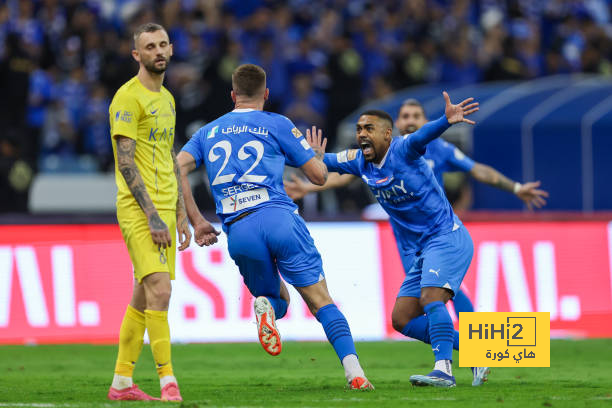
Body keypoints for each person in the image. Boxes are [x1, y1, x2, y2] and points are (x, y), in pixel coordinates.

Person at [177, 63, 374, 390]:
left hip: (239, 229)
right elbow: (319, 176)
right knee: (320, 300)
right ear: (266, 94)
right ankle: (355, 372)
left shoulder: (207, 132)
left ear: (232, 95)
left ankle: (265, 306)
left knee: (275, 297)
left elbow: (177, 168)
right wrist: (315, 155)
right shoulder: (277, 123)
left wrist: (197, 220)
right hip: (278, 218)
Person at [285, 99, 549, 316]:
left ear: (424, 121)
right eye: (405, 116)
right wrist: (311, 186)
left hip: (439, 233)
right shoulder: (375, 156)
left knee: (441, 293)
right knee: (418, 307)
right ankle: (463, 353)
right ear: (396, 124)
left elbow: (477, 170)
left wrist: (515, 188)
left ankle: (468, 354)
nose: (411, 120)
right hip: (407, 240)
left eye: (417, 115)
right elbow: (345, 173)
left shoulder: (437, 148)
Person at [304, 92, 487, 387]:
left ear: (388, 134)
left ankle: (444, 370)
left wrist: (446, 120)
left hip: (446, 238)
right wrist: (307, 156)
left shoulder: (405, 149)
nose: (362, 134)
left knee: (432, 297)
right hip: (422, 250)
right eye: (359, 129)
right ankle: (476, 350)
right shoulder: (359, 162)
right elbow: (325, 164)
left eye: (369, 129)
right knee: (402, 319)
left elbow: (423, 135)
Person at [107, 22, 205, 401]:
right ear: (137, 55)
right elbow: (126, 162)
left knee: (143, 295)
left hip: (165, 207)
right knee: (160, 291)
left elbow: (167, 157)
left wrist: (179, 211)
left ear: (171, 48)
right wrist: (151, 214)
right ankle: (168, 381)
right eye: (150, 47)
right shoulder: (127, 98)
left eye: (163, 44)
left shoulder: (166, 98)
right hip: (138, 210)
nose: (158, 51)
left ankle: (121, 383)